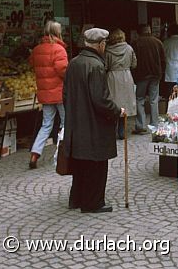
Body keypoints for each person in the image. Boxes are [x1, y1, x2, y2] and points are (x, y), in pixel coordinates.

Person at [62, 27, 124, 214]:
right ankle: (92, 203)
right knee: (96, 164)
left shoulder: (74, 62)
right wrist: (117, 111)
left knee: (81, 162)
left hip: (77, 121)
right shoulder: (96, 65)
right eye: (104, 44)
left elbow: (65, 94)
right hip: (93, 124)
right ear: (101, 44)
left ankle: (77, 198)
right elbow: (101, 100)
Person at [28, 20, 69, 169]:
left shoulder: (37, 49)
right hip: (59, 92)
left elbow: (32, 64)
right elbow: (63, 70)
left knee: (46, 125)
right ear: (58, 32)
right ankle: (64, 154)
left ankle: (35, 153)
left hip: (45, 93)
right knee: (66, 123)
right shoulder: (59, 49)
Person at [131, 24, 166, 135]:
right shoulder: (158, 42)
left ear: (139, 32)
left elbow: (134, 62)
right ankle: (154, 125)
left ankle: (140, 126)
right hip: (155, 75)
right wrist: (161, 73)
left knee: (139, 99)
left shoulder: (136, 43)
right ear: (149, 30)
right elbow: (163, 60)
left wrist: (134, 76)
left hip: (142, 75)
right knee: (154, 100)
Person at [104, 29, 137, 140]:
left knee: (113, 102)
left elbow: (105, 66)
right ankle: (122, 131)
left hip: (112, 77)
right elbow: (134, 64)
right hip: (126, 77)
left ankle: (111, 130)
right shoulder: (129, 48)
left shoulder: (108, 50)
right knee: (125, 103)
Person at [163, 24, 178, 95]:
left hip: (169, 68)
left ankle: (170, 104)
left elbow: (163, 55)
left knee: (170, 91)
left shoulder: (166, 42)